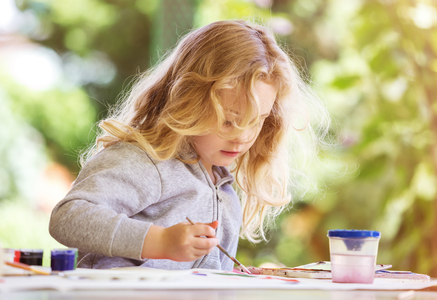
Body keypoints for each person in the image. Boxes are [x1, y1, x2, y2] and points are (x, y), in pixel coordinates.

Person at [49, 19, 330, 271]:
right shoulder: (148, 160)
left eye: (256, 121)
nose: (242, 137)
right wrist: (158, 241)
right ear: (188, 103)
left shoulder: (224, 190)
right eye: (229, 121)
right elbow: (68, 218)